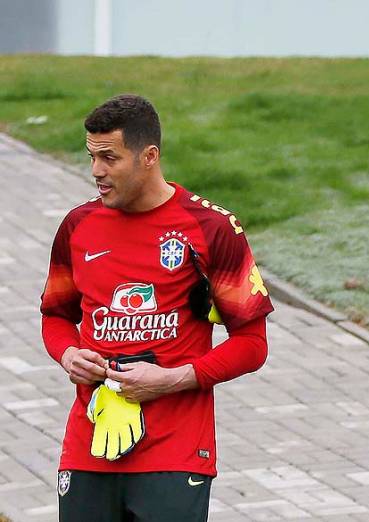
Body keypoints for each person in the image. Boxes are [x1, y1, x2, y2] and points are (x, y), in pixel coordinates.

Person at [40, 94, 274, 521]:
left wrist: (170, 380)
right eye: (91, 156)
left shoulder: (212, 229)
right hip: (88, 448)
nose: (96, 171)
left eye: (109, 158)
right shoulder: (78, 226)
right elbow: (56, 316)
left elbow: (252, 344)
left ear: (149, 156)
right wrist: (69, 354)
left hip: (176, 453)